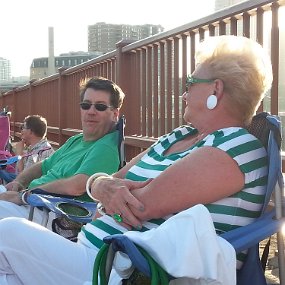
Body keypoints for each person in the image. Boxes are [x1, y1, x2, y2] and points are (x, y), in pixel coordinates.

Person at [0, 35, 272, 284]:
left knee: (7, 234)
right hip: (95, 253)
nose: (184, 93)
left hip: (123, 270)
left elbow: (137, 206)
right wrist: (102, 186)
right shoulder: (178, 136)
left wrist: (108, 192)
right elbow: (111, 184)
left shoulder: (235, 146)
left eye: (190, 83)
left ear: (216, 90)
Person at [0, 76, 125, 225]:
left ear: (115, 113)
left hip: (52, 213)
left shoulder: (106, 147)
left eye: (100, 106)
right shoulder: (77, 140)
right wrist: (19, 181)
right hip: (32, 201)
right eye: (86, 105)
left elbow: (77, 186)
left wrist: (23, 196)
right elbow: (44, 165)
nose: (91, 111)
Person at [0, 115, 54, 183]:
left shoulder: (44, 151)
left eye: (23, 128)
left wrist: (19, 154)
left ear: (31, 131)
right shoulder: (33, 149)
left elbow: (24, 179)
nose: (21, 131)